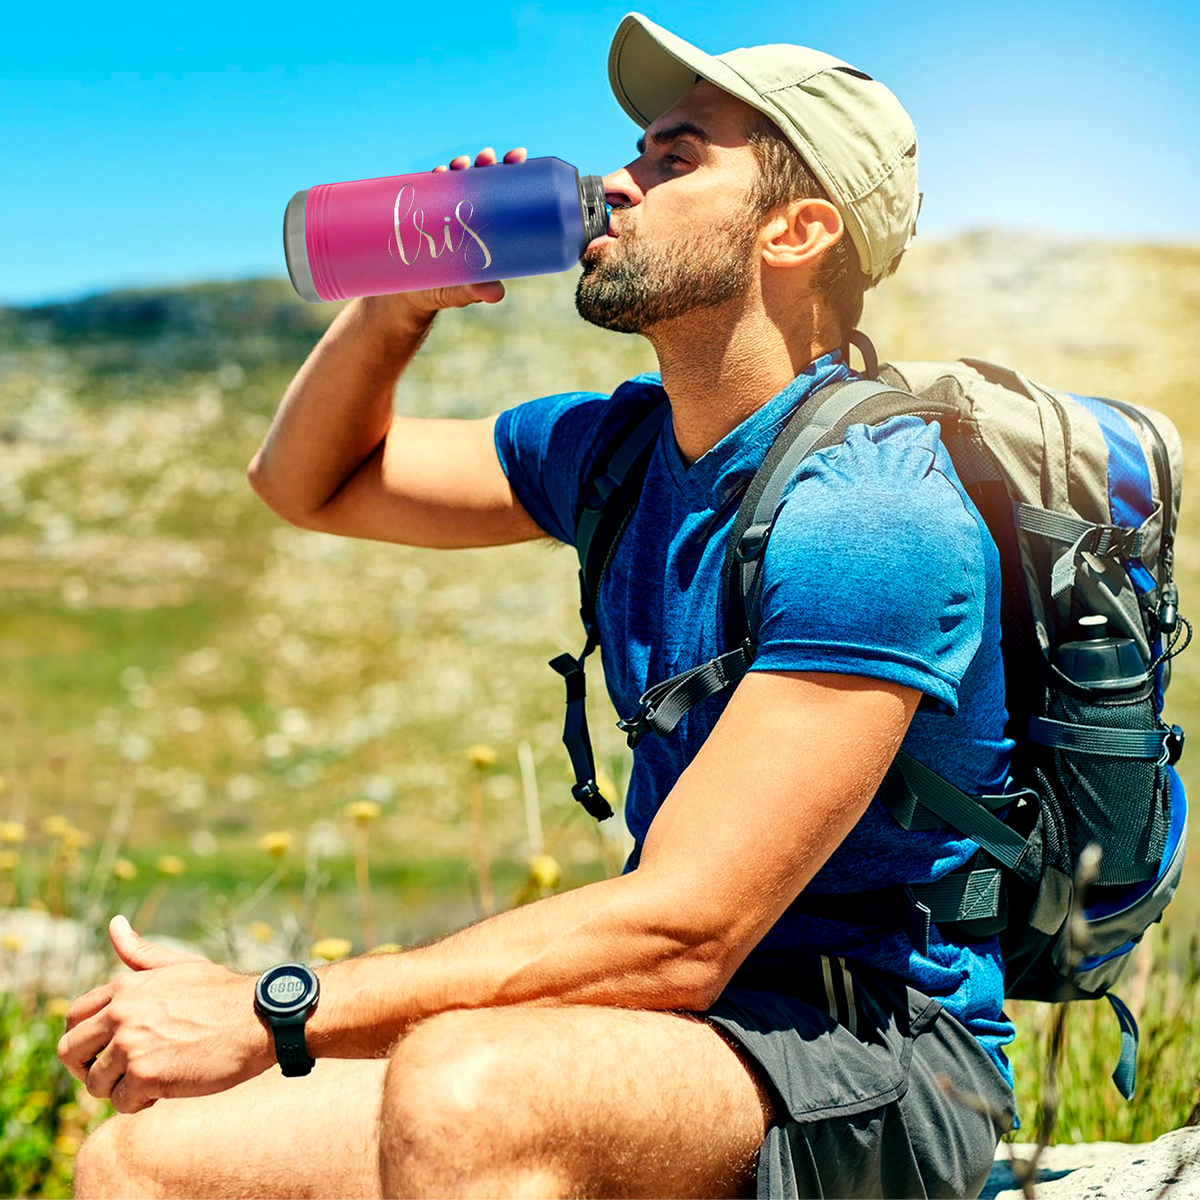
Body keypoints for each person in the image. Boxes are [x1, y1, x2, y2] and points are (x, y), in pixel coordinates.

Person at [59, 12, 1018, 1199]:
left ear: (798, 228)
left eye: (674, 159)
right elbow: (310, 484)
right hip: (682, 1037)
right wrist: (396, 302)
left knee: (468, 1091)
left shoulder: (875, 513)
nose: (616, 181)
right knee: (145, 1160)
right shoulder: (613, 448)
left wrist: (277, 1010)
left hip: (881, 1059)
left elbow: (682, 931)